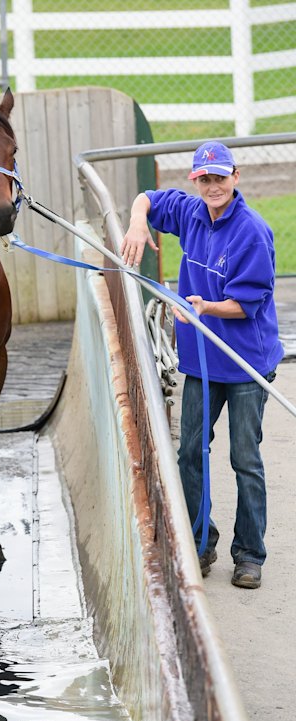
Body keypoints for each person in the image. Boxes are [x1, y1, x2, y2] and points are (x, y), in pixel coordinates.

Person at [120, 141, 284, 589]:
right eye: (204, 179)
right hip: (201, 361)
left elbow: (248, 304)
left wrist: (206, 309)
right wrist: (138, 224)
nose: (213, 186)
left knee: (244, 457)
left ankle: (249, 554)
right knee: (191, 451)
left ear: (236, 178)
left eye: (220, 178)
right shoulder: (190, 212)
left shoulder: (252, 231)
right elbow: (148, 199)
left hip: (245, 361)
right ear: (196, 181)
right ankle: (199, 541)